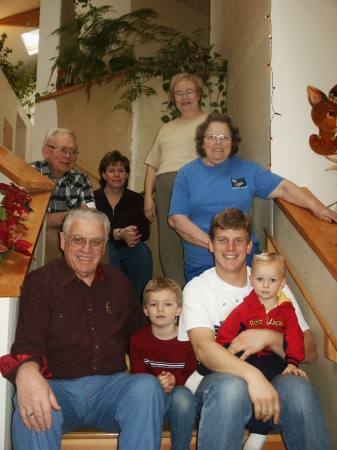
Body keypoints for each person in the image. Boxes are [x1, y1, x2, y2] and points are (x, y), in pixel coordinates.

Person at [0, 208, 165, 450]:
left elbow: (142, 337)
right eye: (78, 240)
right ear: (63, 241)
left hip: (112, 391)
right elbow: (28, 341)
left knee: (147, 388)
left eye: (95, 242)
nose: (87, 249)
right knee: (32, 403)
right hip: (58, 392)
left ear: (105, 245)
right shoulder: (41, 282)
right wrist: (26, 374)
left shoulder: (119, 283)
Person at [178, 208, 331, 449]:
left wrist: (269, 337)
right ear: (210, 245)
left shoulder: (271, 282)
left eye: (239, 241)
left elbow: (310, 351)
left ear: (249, 246)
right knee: (232, 386)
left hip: (271, 383)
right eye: (223, 241)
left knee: (298, 388)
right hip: (218, 387)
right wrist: (253, 376)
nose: (231, 248)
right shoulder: (198, 288)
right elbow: (203, 350)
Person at [168, 114, 337, 282]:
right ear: (202, 143)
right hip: (202, 262)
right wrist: (217, 246)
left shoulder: (247, 170)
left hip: (243, 260)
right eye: (211, 137)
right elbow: (177, 220)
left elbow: (284, 188)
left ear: (232, 142)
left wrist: (316, 206)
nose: (218, 142)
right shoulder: (187, 174)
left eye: (224, 137)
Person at [185, 250, 309, 450]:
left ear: (282, 283)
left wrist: (293, 362)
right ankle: (200, 373)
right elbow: (228, 330)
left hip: (273, 361)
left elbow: (295, 338)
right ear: (252, 281)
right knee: (228, 354)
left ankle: (259, 432)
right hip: (245, 355)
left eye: (272, 280)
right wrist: (224, 347)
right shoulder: (246, 306)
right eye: (260, 280)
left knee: (273, 384)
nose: (266, 285)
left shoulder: (287, 310)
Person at [144, 73, 207, 287]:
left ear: (198, 94)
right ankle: (177, 292)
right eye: (178, 93)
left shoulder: (209, 122)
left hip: (195, 187)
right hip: (164, 191)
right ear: (173, 99)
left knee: (197, 238)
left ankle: (199, 291)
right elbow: (152, 165)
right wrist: (148, 198)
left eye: (189, 91)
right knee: (169, 244)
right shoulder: (166, 128)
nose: (184, 97)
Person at [130, 278, 199, 450]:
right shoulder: (137, 339)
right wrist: (157, 384)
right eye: (153, 305)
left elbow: (193, 374)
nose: (160, 309)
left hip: (184, 407)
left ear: (179, 310)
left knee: (182, 395)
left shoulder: (190, 338)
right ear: (145, 310)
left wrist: (175, 381)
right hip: (152, 405)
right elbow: (138, 378)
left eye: (167, 304)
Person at [94, 151, 153, 301]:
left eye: (121, 171)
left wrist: (133, 234)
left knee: (143, 251)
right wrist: (117, 233)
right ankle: (116, 302)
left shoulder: (136, 199)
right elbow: (93, 229)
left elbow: (145, 232)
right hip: (103, 248)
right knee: (110, 249)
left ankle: (140, 305)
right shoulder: (93, 198)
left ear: (127, 175)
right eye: (111, 171)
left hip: (130, 248)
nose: (117, 175)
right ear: (104, 175)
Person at [31, 128, 95, 262]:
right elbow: (30, 219)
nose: (67, 156)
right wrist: (71, 216)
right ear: (46, 151)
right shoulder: (31, 174)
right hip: (38, 236)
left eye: (73, 151)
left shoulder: (81, 179)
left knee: (97, 241)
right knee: (50, 237)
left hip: (74, 235)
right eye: (62, 149)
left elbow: (90, 216)